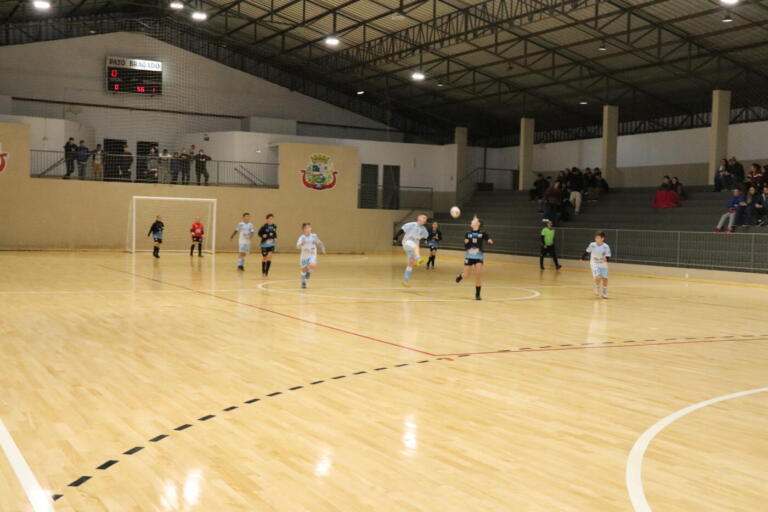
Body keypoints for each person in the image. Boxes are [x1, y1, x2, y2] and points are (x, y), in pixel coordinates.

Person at [455, 216, 494, 300]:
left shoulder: (482, 233)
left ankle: (477, 295)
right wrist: (466, 243)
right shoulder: (467, 233)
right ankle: (460, 276)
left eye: (473, 220)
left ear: (478, 223)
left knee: (478, 274)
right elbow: (466, 246)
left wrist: (489, 240)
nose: (471, 221)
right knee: (466, 276)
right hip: (469, 256)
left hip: (479, 256)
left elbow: (487, 237)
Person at [393, 214, 429, 288]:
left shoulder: (424, 229)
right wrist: (396, 237)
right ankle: (419, 259)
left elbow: (426, 237)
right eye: (424, 217)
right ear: (419, 218)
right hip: (407, 242)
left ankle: (405, 280)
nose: (425, 219)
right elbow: (402, 230)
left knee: (411, 263)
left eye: (426, 218)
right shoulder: (411, 224)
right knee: (416, 247)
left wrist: (425, 240)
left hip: (412, 247)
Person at [296, 223, 326, 289]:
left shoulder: (314, 236)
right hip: (304, 256)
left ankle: (309, 271)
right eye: (307, 228)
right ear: (304, 229)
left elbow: (319, 242)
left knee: (313, 265)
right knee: (303, 270)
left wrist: (323, 249)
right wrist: (301, 243)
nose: (309, 229)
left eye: (310, 227)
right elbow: (297, 246)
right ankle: (303, 281)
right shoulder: (302, 238)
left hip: (312, 254)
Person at [582, 231, 611, 299]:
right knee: (598, 277)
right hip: (594, 263)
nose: (596, 239)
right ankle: (597, 287)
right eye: (596, 238)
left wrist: (606, 259)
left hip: (603, 264)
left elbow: (608, 255)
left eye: (598, 238)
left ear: (602, 238)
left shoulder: (606, 246)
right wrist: (582, 258)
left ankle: (604, 293)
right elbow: (587, 251)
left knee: (605, 279)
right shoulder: (592, 245)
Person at [258, 213, 278, 278]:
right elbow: (259, 233)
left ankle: (266, 272)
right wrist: (262, 235)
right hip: (264, 244)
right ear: (267, 220)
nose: (271, 220)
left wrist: (275, 237)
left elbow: (274, 233)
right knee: (265, 258)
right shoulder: (263, 227)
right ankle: (263, 271)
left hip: (271, 244)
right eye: (269, 219)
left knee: (269, 256)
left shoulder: (274, 226)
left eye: (272, 219)